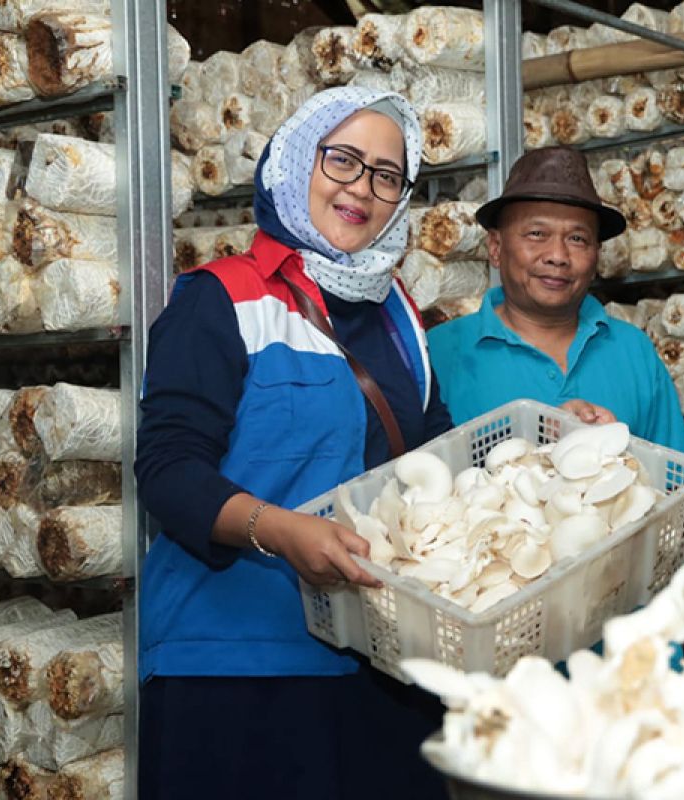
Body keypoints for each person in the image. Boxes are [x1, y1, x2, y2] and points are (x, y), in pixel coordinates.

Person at [134, 87, 452, 799]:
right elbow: (167, 470)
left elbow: (438, 458)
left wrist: (552, 459)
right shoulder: (220, 300)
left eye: (386, 174)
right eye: (342, 160)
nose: (361, 189)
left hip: (381, 663)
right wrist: (278, 531)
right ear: (297, 161)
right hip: (242, 668)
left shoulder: (400, 316)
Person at [428, 146, 684, 453]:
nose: (557, 256)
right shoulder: (440, 353)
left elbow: (674, 480)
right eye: (537, 233)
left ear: (597, 255)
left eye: (577, 239)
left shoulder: (634, 351)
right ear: (496, 248)